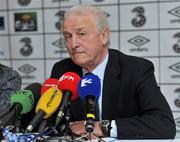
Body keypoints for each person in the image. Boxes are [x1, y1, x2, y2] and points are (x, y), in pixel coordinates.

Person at [50, 5, 176, 139]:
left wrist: (103, 127)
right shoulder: (62, 71)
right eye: (68, 36)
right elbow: (48, 123)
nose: (73, 43)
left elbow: (163, 124)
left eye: (82, 34)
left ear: (103, 36)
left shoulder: (136, 69)